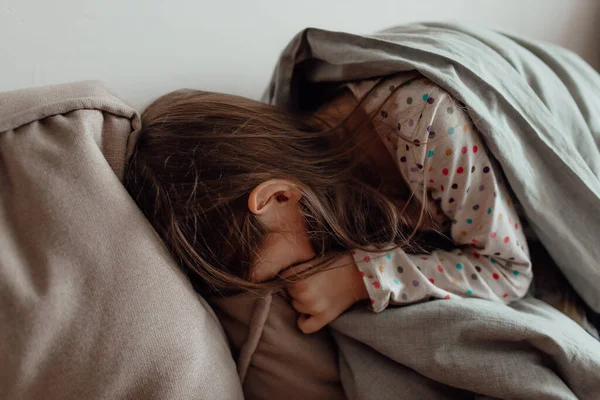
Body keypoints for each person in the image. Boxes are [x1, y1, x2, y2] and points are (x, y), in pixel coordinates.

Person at [124, 72, 532, 334]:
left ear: (277, 196)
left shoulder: (430, 128)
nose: (294, 282)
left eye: (280, 271)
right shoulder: (327, 184)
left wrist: (359, 280)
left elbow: (510, 271)